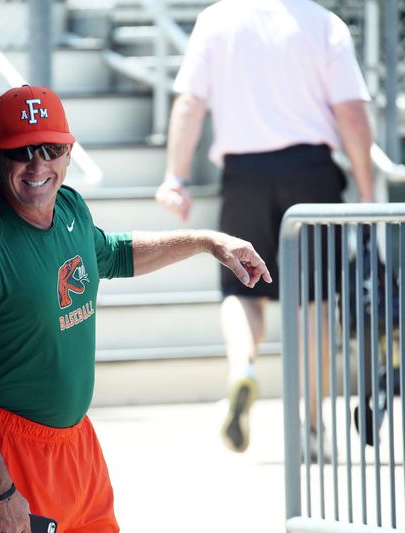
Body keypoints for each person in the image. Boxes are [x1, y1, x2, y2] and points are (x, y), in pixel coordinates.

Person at [0, 85, 272, 532]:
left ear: (69, 152)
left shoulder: (71, 207)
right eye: (22, 152)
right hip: (10, 453)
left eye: (51, 148)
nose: (38, 165)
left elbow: (112, 254)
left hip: (78, 446)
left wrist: (208, 242)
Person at [154, 0, 375, 457]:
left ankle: (242, 369)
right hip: (311, 173)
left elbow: (191, 103)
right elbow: (351, 113)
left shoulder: (217, 19)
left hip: (244, 175)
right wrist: (368, 192)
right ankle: (311, 429)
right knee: (312, 303)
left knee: (242, 290)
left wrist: (176, 177)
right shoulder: (323, 24)